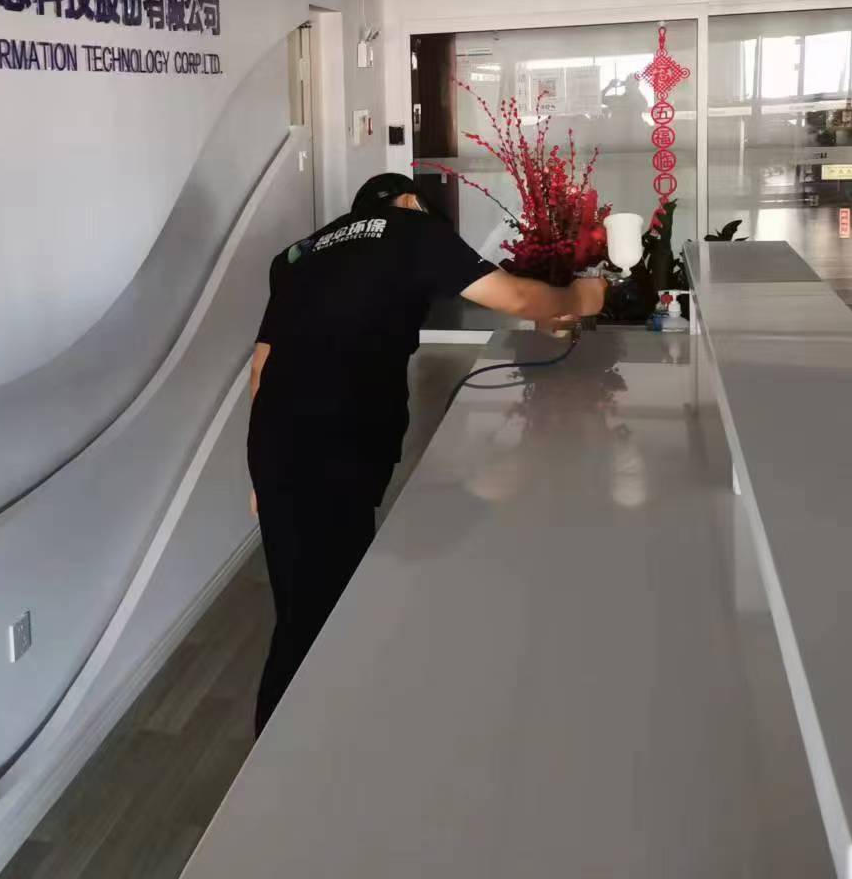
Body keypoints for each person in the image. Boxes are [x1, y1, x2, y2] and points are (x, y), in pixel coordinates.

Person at [247, 172, 605, 735]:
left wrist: (260, 474)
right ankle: (287, 751)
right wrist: (579, 298)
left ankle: (321, 729)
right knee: (317, 616)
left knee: (304, 596)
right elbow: (512, 295)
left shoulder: (299, 254)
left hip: (280, 439)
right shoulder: (410, 228)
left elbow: (262, 365)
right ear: (411, 202)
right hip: (338, 440)